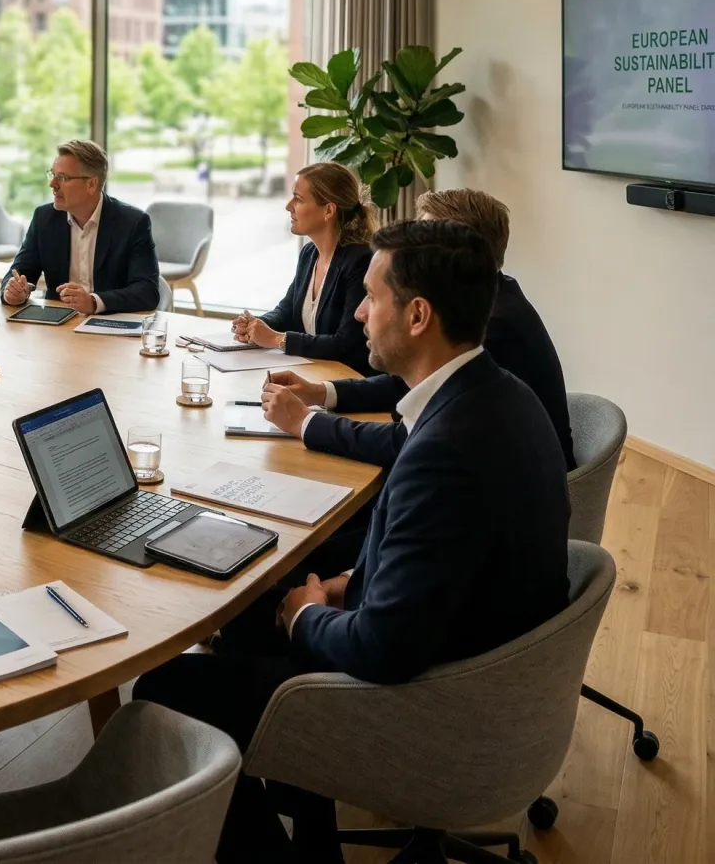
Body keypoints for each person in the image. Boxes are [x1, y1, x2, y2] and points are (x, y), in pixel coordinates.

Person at [131, 220, 570, 863]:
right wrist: (342, 586)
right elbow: (443, 563)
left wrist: (305, 612)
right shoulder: (501, 396)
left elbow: (381, 649)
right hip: (480, 655)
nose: (359, 312)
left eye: (371, 296)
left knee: (166, 689)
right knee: (255, 604)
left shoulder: (444, 449)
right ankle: (311, 825)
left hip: (431, 705)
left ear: (418, 315)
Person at [262, 188, 575, 470]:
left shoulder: (488, 325)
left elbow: (411, 443)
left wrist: (307, 423)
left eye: (420, 240)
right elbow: (403, 386)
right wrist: (322, 392)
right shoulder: (494, 293)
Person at [230, 162, 374, 374]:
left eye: (298, 199)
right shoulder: (309, 254)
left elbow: (346, 344)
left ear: (328, 210)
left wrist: (277, 339)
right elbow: (287, 311)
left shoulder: (360, 261)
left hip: (348, 382)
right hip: (315, 373)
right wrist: (256, 325)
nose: (288, 206)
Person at [0, 139, 159, 315]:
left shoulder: (133, 222)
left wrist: (93, 302)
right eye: (52, 174)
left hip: (112, 326)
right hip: (58, 325)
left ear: (91, 184)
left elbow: (147, 291)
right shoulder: (44, 218)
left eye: (62, 178)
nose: (52, 184)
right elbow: (19, 272)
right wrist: (13, 293)